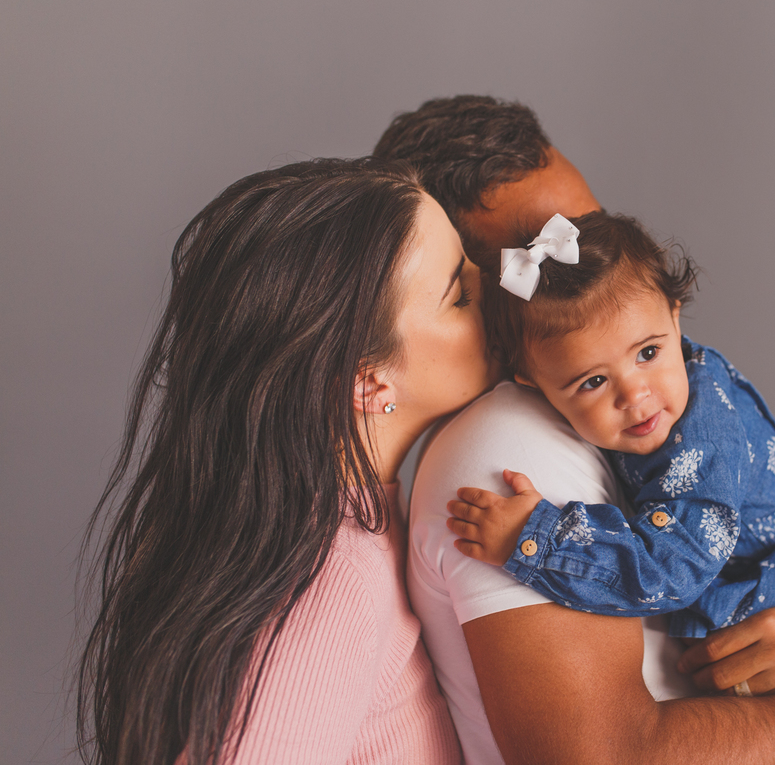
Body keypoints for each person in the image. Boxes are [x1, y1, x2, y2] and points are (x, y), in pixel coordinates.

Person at [378, 96, 775, 764]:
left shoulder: (658, 397)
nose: (584, 268)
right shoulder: (502, 448)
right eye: (540, 256)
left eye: (586, 229)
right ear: (473, 288)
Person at [76, 158, 482, 764]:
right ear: (366, 382)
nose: (504, 287)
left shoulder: (335, 527)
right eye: (461, 294)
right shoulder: (329, 579)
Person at [448, 211, 775, 641]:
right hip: (746, 560)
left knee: (706, 642)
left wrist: (535, 539)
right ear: (533, 384)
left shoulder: (705, 441)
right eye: (593, 382)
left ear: (674, 316)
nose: (635, 396)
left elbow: (671, 571)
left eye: (648, 353)